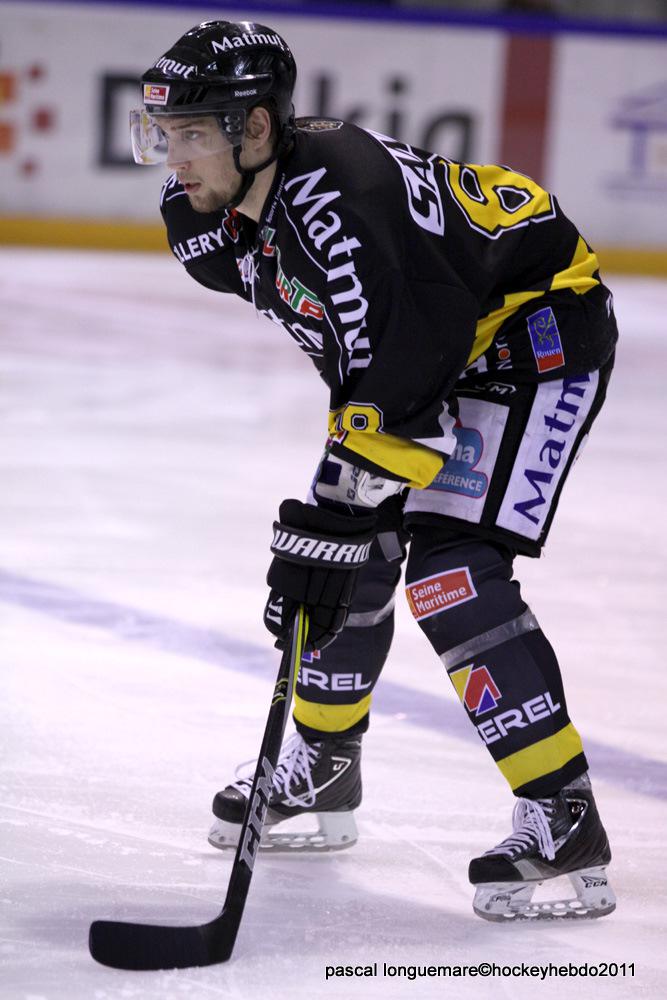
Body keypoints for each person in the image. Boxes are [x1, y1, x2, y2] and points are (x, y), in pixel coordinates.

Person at [132, 20, 617, 921]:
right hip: (431, 345)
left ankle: (563, 813)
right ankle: (324, 766)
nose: (175, 158)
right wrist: (343, 512)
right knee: (344, 556)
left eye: (193, 133)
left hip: (531, 337)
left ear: (257, 129)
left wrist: (347, 497)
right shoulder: (201, 219)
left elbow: (413, 342)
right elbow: (354, 348)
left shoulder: (343, 201)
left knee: (449, 575)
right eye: (165, 134)